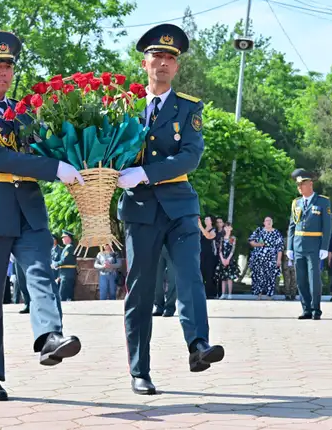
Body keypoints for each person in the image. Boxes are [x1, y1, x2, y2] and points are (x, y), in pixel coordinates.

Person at [0, 31, 84, 401]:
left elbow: (47, 144)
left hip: (28, 206)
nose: (4, 73)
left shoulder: (25, 112)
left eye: (8, 66)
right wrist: (53, 167)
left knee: (42, 274)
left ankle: (49, 338)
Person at [116, 23, 224, 395]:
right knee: (141, 290)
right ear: (144, 63)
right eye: (156, 56)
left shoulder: (189, 107)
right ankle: (139, 370)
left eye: (169, 58)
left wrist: (144, 173)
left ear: (176, 68)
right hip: (140, 211)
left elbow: (189, 157)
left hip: (178, 204)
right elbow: (107, 152)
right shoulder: (123, 106)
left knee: (189, 275)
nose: (162, 63)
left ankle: (198, 345)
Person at [286, 169, 332, 320]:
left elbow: (327, 226)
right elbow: (292, 226)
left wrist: (324, 247)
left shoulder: (322, 201)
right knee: (301, 279)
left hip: (314, 246)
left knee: (314, 279)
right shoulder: (296, 203)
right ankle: (306, 309)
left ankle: (315, 309)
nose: (299, 187)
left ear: (310, 184)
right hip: (298, 246)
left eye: (302, 184)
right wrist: (290, 247)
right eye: (298, 185)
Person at [248, 217, 284, 299]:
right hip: (258, 257)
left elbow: (280, 247)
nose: (269, 222)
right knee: (258, 276)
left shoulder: (276, 233)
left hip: (271, 258)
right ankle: (259, 294)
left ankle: (269, 295)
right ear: (264, 222)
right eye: (267, 221)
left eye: (270, 221)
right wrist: (258, 245)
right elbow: (251, 241)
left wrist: (278, 259)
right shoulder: (259, 230)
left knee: (271, 276)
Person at [215, 222, 239, 300]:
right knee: (223, 278)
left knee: (229, 277)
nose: (227, 228)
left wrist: (228, 259)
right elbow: (220, 250)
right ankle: (223, 294)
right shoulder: (222, 238)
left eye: (229, 227)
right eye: (226, 227)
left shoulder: (232, 238)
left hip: (230, 259)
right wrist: (222, 259)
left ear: (231, 228)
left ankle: (229, 294)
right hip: (222, 259)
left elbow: (232, 249)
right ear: (224, 228)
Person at [152, 245, 177, 317]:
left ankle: (170, 307)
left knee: (172, 279)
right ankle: (158, 306)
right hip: (157, 245)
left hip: (172, 244)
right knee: (156, 279)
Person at [54, 230, 77, 301]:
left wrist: (55, 264)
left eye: (63, 237)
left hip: (67, 274)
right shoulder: (67, 247)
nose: (62, 239)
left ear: (68, 238)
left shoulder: (69, 247)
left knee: (62, 295)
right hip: (66, 274)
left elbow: (64, 260)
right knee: (68, 296)